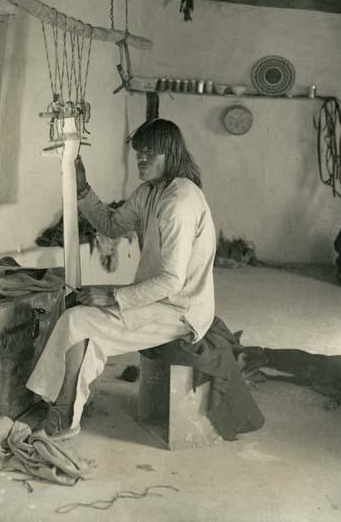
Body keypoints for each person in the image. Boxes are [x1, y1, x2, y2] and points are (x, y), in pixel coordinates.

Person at [26, 118, 217, 439]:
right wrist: (83, 189)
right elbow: (112, 225)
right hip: (158, 299)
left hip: (180, 310)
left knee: (76, 319)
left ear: (170, 155)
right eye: (139, 152)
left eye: (150, 154)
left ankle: (60, 408)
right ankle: (63, 404)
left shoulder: (180, 202)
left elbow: (172, 280)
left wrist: (112, 296)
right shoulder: (151, 191)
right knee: (85, 326)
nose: (141, 159)